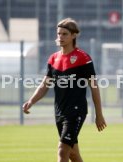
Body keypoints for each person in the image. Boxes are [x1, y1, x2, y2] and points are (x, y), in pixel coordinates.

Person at [22, 18, 107, 162]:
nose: (60, 37)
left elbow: (94, 87)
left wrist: (98, 114)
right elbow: (44, 85)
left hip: (76, 111)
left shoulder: (83, 58)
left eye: (64, 34)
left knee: (62, 151)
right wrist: (31, 101)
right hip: (59, 111)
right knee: (73, 154)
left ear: (74, 35)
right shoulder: (53, 59)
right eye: (59, 34)